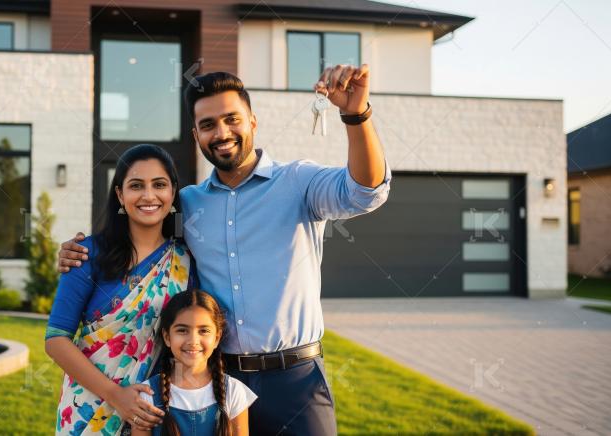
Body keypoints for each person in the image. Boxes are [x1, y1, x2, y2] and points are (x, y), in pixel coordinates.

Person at [59, 64, 391, 434]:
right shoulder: (188, 203)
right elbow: (139, 229)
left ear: (253, 121)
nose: (221, 133)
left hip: (295, 380)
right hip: (218, 380)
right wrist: (80, 251)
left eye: (232, 119)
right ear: (196, 135)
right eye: (208, 125)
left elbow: (365, 192)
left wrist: (356, 115)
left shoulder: (298, 182)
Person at [45, 144, 199, 435]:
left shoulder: (185, 262)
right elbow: (56, 339)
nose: (149, 196)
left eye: (159, 185)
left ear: (172, 192)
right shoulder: (87, 254)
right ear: (119, 194)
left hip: (153, 410)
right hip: (87, 410)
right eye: (136, 185)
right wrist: (116, 396)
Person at [132, 289, 256, 436]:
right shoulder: (147, 395)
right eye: (182, 330)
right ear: (167, 337)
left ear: (217, 338)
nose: (193, 341)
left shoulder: (233, 391)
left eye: (203, 331)